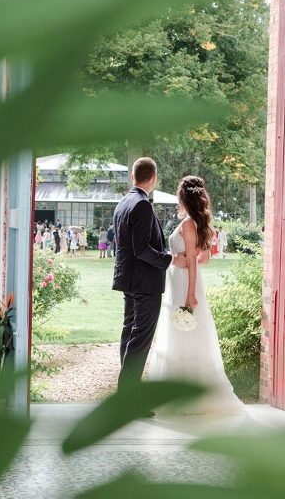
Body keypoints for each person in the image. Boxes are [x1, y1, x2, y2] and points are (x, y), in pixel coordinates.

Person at [147, 175, 246, 416]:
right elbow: (203, 259)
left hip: (185, 285)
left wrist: (190, 295)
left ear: (184, 198)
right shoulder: (192, 224)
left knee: (186, 333)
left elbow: (195, 260)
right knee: (179, 333)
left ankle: (189, 396)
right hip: (179, 281)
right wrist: (179, 260)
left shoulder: (189, 225)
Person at [112, 157, 187, 398]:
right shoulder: (142, 205)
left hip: (128, 279)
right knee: (140, 338)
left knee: (130, 334)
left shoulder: (123, 202)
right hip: (145, 282)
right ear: (153, 177)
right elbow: (142, 249)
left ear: (133, 176)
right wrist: (170, 259)